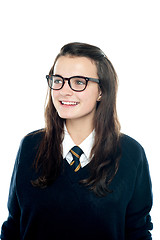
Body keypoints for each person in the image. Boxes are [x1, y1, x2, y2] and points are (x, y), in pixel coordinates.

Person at [0, 42, 153, 240]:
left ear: (102, 91)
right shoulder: (30, 146)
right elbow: (14, 226)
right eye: (58, 80)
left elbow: (137, 231)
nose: (64, 90)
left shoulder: (131, 153)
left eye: (79, 82)